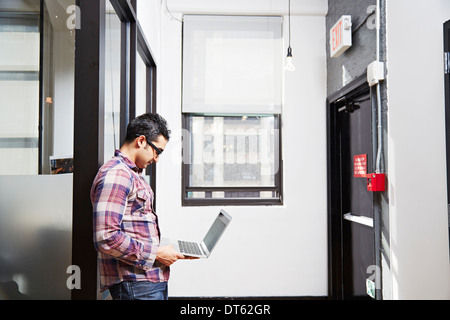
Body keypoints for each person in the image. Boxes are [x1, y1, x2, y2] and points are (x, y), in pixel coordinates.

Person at [91, 113, 188, 300]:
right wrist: (156, 253)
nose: (157, 159)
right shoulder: (117, 174)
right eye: (157, 151)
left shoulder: (130, 173)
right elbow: (106, 237)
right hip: (136, 284)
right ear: (141, 141)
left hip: (144, 283)